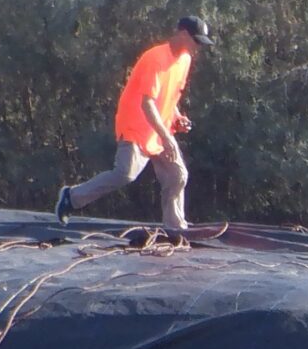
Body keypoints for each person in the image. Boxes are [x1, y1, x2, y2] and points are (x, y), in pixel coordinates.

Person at [57, 16, 214, 233]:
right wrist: (168, 138)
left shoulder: (185, 59)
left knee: (177, 175)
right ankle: (71, 197)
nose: (198, 47)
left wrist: (177, 118)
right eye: (196, 41)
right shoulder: (155, 59)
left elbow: (169, 96)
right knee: (125, 174)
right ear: (183, 35)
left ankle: (175, 226)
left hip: (159, 130)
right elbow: (147, 104)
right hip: (136, 127)